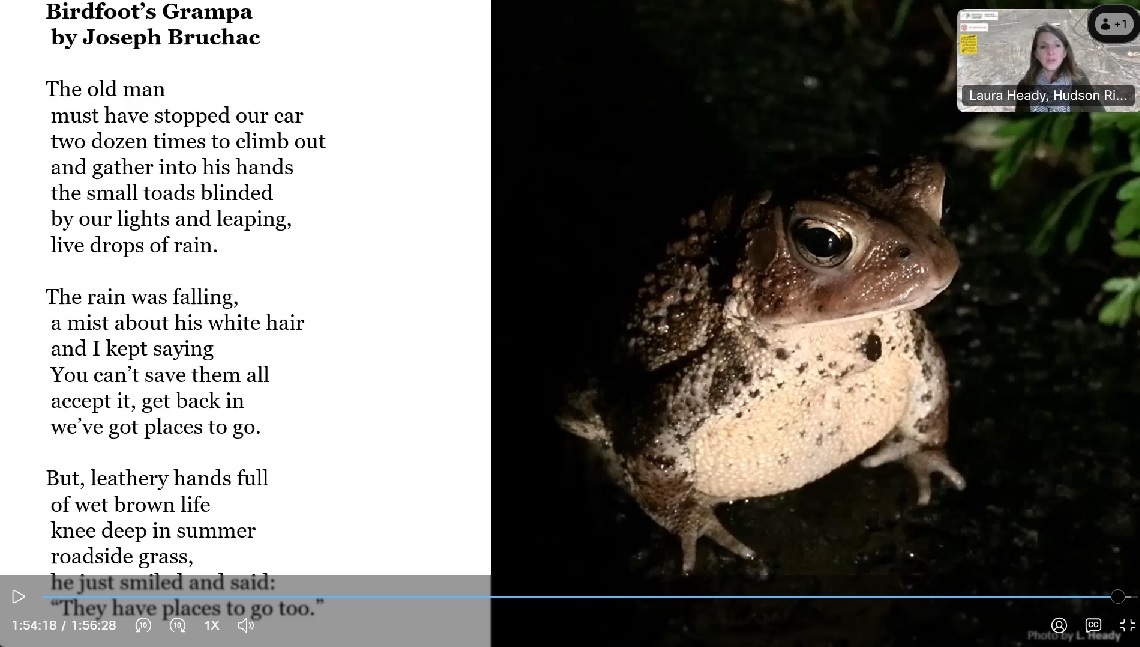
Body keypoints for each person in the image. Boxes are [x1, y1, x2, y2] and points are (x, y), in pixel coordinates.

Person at [1014, 24, 1105, 112]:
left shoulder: (1078, 79)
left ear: (1065, 52)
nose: (1050, 52)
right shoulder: (1024, 86)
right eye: (1043, 46)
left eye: (1057, 45)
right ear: (1036, 54)